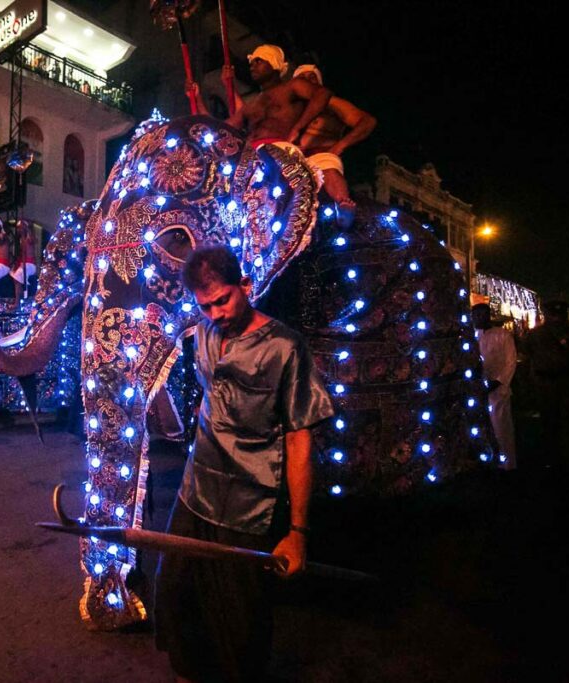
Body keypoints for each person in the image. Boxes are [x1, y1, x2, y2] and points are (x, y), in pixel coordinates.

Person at [154, 246, 335, 683]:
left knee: (237, 625)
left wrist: (297, 532)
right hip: (195, 494)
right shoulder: (202, 334)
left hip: (247, 504)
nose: (215, 312)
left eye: (223, 300)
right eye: (205, 305)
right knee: (177, 601)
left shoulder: (284, 347)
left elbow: (299, 440)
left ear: (246, 287)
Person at [187, 44, 331, 164]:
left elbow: (322, 94)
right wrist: (196, 97)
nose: (252, 66)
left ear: (274, 64)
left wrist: (299, 127)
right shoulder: (252, 105)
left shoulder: (292, 87)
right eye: (252, 63)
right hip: (252, 158)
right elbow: (220, 128)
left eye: (259, 61)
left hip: (282, 151)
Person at [523, 299, 569, 485]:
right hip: (545, 384)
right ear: (545, 314)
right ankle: (552, 462)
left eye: (559, 314)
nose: (555, 317)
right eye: (551, 314)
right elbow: (528, 358)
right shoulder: (534, 334)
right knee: (549, 423)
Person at [291, 65, 377, 210]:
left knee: (330, 171)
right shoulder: (289, 108)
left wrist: (340, 145)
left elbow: (367, 122)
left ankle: (343, 205)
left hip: (322, 155)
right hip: (290, 158)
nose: (307, 81)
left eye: (311, 77)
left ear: (319, 82)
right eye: (302, 79)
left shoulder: (331, 103)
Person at [471, 304, 518, 469]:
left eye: (484, 314)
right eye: (476, 315)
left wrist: (496, 382)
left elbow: (511, 362)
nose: (480, 318)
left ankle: (507, 463)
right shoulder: (470, 337)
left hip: (498, 391)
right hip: (475, 391)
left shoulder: (503, 335)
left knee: (501, 428)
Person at [11, 219, 38, 300]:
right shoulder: (21, 240)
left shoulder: (29, 237)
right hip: (24, 264)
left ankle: (17, 301)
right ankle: (21, 298)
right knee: (16, 280)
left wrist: (29, 228)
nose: (19, 230)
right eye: (18, 228)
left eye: (20, 228)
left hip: (29, 265)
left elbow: (33, 240)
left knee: (16, 278)